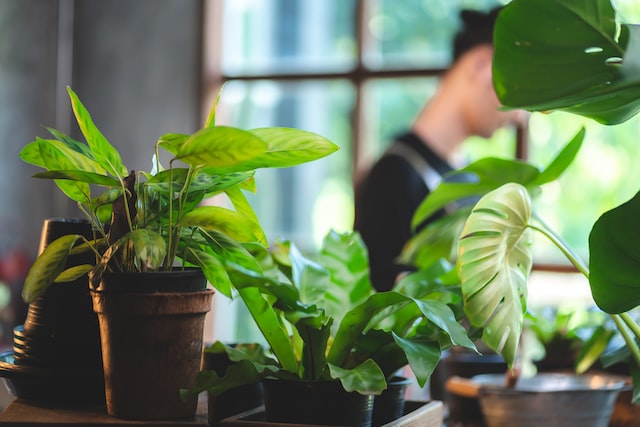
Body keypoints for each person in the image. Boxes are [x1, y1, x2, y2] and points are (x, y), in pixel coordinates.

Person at [354, 6, 526, 292]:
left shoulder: (469, 176)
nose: (521, 115)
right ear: (482, 66)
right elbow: (381, 311)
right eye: (522, 92)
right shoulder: (394, 176)